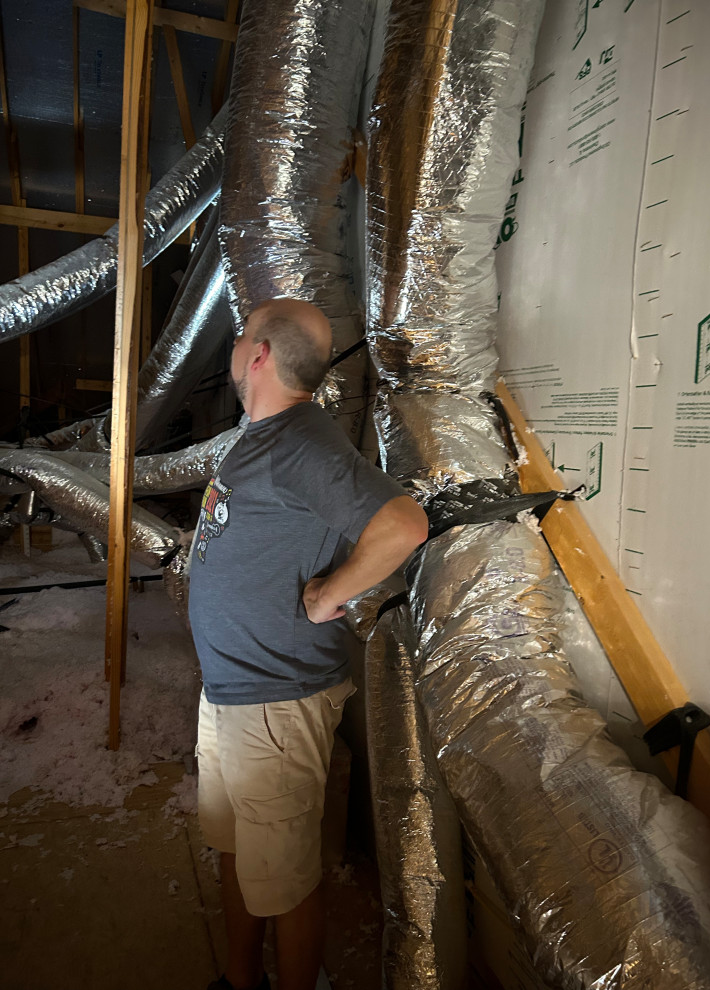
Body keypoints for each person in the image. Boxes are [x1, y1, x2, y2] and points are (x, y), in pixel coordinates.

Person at [187, 297, 429, 990]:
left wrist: (328, 596)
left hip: (276, 703)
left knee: (287, 881)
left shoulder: (301, 441)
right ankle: (241, 980)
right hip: (233, 691)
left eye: (242, 336)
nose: (236, 347)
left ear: (259, 355)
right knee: (239, 850)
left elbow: (404, 524)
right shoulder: (263, 435)